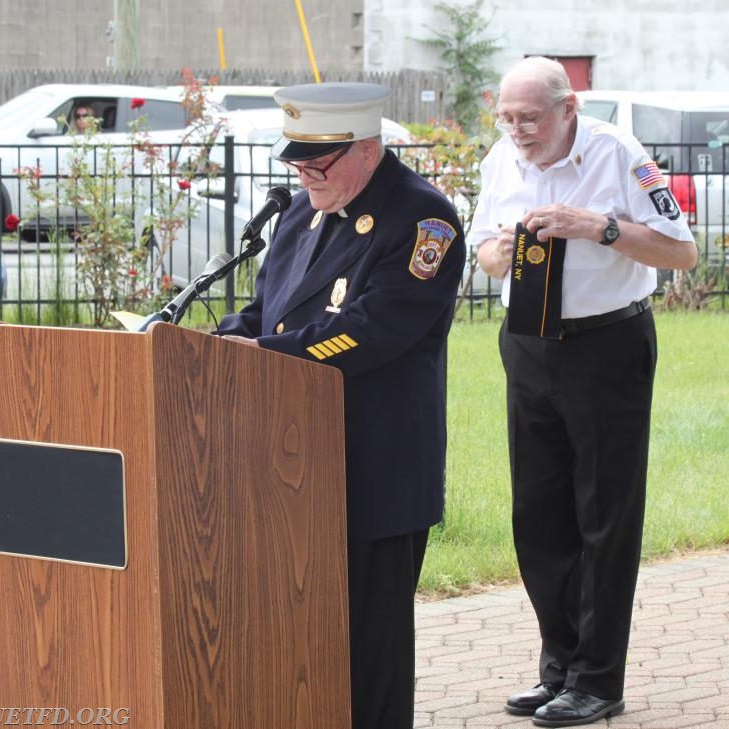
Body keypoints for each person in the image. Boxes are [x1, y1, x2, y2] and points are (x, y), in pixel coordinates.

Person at [217, 81, 465, 729]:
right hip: (290, 467)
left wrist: (266, 359)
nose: (302, 174)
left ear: (365, 149)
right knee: (300, 646)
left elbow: (370, 330)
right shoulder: (306, 206)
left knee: (370, 657)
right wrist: (222, 340)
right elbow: (270, 304)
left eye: (316, 160)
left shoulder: (422, 219)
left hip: (373, 473)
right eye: (295, 160)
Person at [469, 56, 697, 727]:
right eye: (507, 117)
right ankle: (559, 667)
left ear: (569, 108)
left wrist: (596, 227)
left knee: (604, 516)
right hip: (529, 344)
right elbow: (482, 251)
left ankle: (599, 679)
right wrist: (503, 249)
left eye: (529, 118)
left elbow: (681, 252)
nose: (518, 130)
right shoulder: (498, 161)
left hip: (607, 348)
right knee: (538, 517)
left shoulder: (619, 155)